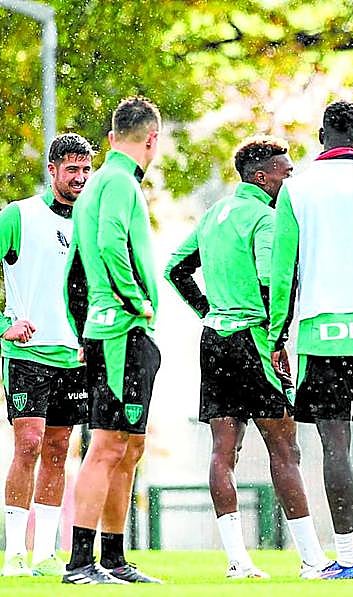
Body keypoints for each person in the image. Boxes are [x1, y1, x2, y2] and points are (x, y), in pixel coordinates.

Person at [164, 136, 332, 579]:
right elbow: (268, 284)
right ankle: (313, 561)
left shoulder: (215, 213)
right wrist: (277, 342)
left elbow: (175, 269)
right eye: (285, 170)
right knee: (285, 447)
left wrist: (208, 311)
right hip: (252, 341)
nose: (290, 176)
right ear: (263, 177)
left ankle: (239, 561)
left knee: (224, 450)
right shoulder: (265, 218)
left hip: (214, 340)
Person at [268, 101, 353, 579]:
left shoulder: (297, 190)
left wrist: (276, 334)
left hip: (321, 330)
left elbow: (283, 269)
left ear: (322, 135)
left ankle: (346, 557)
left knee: (333, 445)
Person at [62, 97, 165, 584]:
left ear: (110, 139)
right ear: (152, 140)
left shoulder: (95, 184)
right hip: (122, 330)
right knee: (106, 445)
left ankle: (114, 559)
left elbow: (74, 270)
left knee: (130, 445)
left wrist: (81, 322)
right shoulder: (122, 182)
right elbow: (105, 243)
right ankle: (81, 563)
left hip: (107, 330)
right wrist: (132, 302)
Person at [2, 134, 94, 578]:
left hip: (75, 356)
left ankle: (44, 556)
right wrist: (5, 324)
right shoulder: (18, 215)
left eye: (85, 170)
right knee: (29, 444)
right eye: (71, 169)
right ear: (53, 170)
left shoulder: (92, 223)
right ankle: (15, 552)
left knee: (59, 449)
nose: (79, 177)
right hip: (27, 352)